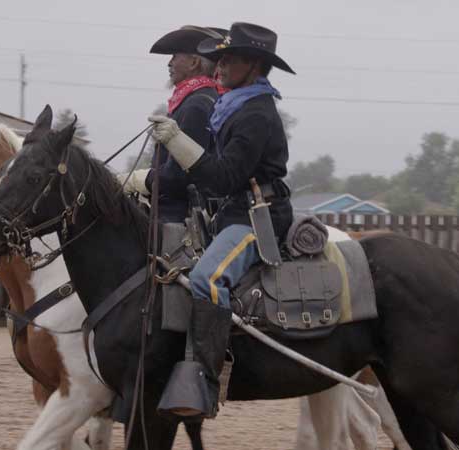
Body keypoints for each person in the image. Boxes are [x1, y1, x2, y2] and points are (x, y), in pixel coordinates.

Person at [148, 22, 294, 418]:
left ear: (254, 65)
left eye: (230, 58)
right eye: (221, 57)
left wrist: (177, 142)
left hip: (256, 219)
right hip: (230, 215)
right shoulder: (234, 106)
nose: (221, 64)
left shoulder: (257, 115)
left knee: (206, 279)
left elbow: (224, 176)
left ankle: (206, 384)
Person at [122, 25, 226, 222]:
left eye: (175, 56)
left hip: (179, 216)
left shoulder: (196, 105)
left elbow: (178, 176)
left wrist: (137, 180)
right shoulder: (200, 99)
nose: (169, 63)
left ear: (194, 62)